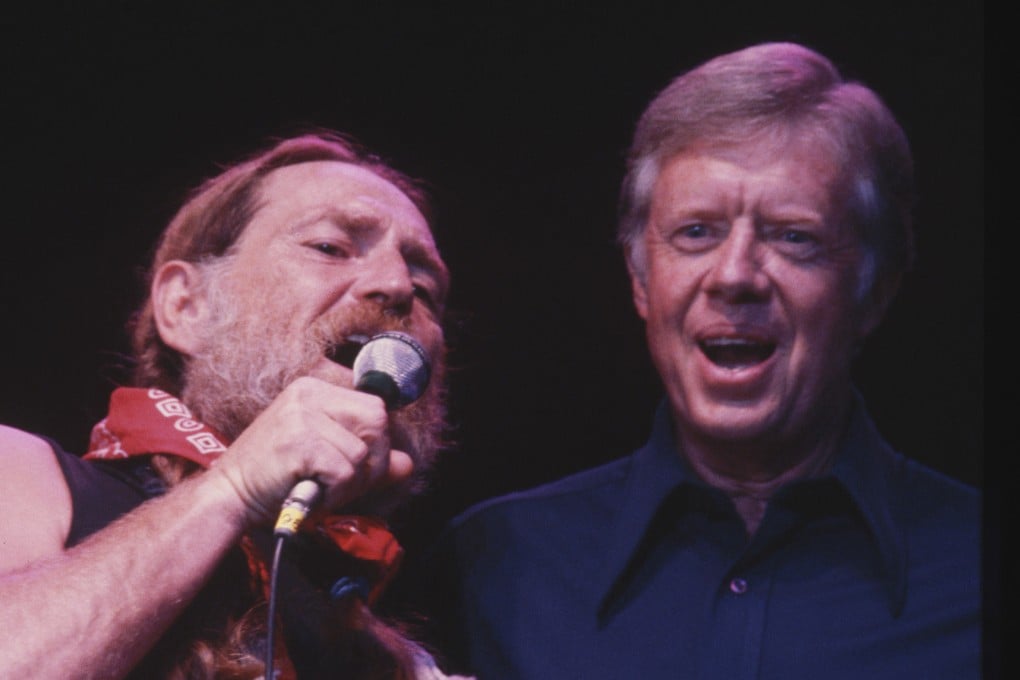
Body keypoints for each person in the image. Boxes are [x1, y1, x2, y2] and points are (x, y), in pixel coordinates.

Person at [420, 42, 982, 679]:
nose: (734, 276)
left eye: (793, 237)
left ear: (872, 293)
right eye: (696, 233)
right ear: (640, 280)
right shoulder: (493, 566)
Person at [0, 132, 471, 679]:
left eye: (424, 283)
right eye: (329, 248)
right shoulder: (26, 472)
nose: (395, 286)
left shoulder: (399, 661)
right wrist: (233, 488)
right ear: (187, 306)